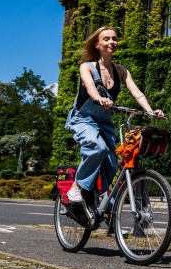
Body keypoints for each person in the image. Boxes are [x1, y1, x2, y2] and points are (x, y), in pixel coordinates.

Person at [66, 26, 163, 214]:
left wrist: (151, 111)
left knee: (112, 165)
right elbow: (91, 88)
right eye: (107, 39)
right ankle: (76, 188)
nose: (112, 42)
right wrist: (99, 98)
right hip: (84, 120)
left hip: (105, 123)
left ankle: (108, 215)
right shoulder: (86, 67)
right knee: (97, 147)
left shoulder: (120, 71)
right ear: (97, 44)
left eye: (114, 39)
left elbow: (137, 93)